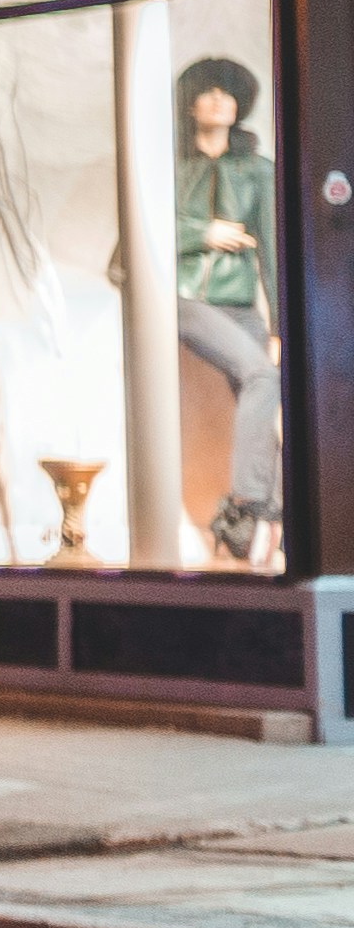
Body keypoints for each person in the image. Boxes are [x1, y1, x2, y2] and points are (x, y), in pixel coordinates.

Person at [175, 57, 284, 564]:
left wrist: (282, 325)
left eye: (228, 92)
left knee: (272, 393)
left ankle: (268, 521)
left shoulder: (257, 172)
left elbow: (273, 251)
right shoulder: (170, 168)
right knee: (262, 376)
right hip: (185, 301)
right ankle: (249, 508)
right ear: (191, 103)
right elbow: (134, 240)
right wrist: (204, 232)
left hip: (240, 304)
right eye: (208, 91)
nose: (219, 98)